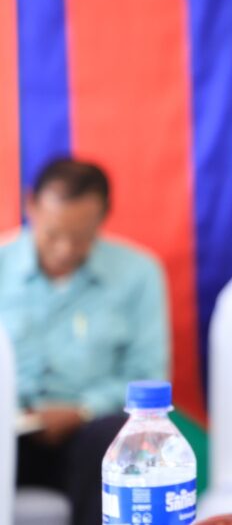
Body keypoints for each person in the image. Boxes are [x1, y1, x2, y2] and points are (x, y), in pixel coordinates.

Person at [0, 158, 168, 525]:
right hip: (8, 433)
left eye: (80, 238)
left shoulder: (138, 274)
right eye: (52, 234)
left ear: (103, 217)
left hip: (90, 437)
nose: (64, 249)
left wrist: (83, 411)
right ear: (31, 206)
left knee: (117, 437)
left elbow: (148, 374)